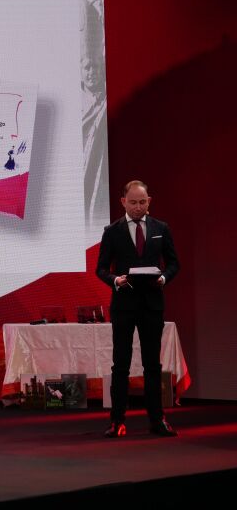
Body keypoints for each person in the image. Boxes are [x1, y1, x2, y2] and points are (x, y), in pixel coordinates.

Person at [96, 180, 179, 438]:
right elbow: (101, 269)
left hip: (152, 304)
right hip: (124, 305)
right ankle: (117, 421)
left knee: (152, 365)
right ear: (123, 202)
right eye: (133, 202)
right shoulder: (112, 231)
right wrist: (115, 280)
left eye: (142, 202)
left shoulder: (161, 228)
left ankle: (157, 419)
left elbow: (173, 264)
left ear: (149, 201)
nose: (138, 207)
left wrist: (164, 278)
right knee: (120, 365)